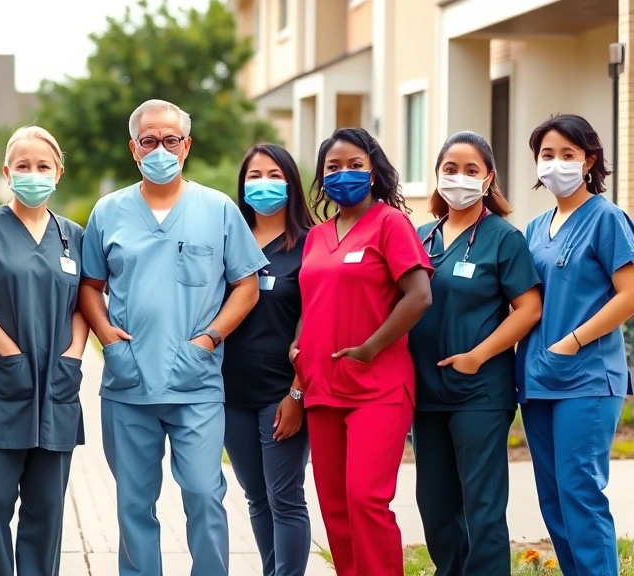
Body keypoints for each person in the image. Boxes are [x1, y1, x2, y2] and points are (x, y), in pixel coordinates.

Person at [79, 99, 269, 576]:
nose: (160, 149)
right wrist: (108, 339)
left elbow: (246, 286)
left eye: (170, 140)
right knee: (133, 505)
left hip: (196, 383)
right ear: (133, 148)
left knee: (205, 495)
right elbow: (89, 286)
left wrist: (208, 339)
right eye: (149, 141)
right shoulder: (110, 211)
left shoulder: (218, 209)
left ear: (186, 146)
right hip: (128, 383)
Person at [290, 127, 432, 576]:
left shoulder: (391, 223)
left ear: (373, 172)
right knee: (334, 506)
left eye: (355, 165)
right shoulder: (317, 236)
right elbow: (311, 299)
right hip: (321, 386)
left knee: (366, 500)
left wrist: (370, 348)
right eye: (333, 167)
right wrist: (298, 344)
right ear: (321, 177)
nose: (343, 174)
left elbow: (419, 296)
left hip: (378, 385)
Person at [0, 126, 86, 576]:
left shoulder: (73, 236)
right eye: (23, 166)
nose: (33, 173)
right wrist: (10, 355)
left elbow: (86, 301)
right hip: (0, 387)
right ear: (7, 172)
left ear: (58, 173)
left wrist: (74, 357)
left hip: (56, 390)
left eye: (42, 166)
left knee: (47, 508)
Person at [409, 131, 543, 576]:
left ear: (488, 179)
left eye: (471, 170)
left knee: (481, 508)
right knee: (435, 506)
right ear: (437, 175)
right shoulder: (420, 236)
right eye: (451, 169)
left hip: (479, 391)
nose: (459, 178)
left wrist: (477, 356)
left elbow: (528, 309)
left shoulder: (504, 238)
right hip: (425, 392)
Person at [516, 114, 634, 576]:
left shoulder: (606, 219)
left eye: (568, 155)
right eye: (548, 155)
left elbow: (629, 294)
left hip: (586, 377)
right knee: (553, 498)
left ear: (589, 161)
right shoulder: (535, 227)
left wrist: (575, 340)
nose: (557, 164)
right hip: (538, 377)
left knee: (579, 491)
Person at [221, 143, 313, 576]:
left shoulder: (311, 245)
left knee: (285, 497)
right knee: (256, 496)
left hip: (283, 393)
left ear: (292, 183)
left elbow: (316, 323)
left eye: (274, 175)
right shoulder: (226, 239)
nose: (264, 185)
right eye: (254, 176)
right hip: (230, 394)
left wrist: (296, 392)